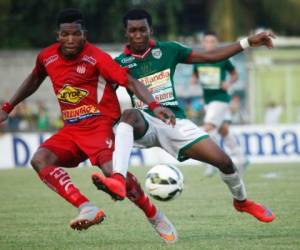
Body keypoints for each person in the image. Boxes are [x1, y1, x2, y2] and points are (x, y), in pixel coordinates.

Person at [92, 9, 276, 239]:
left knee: (225, 162)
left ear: (151, 30)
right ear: (125, 33)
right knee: (128, 114)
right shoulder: (119, 63)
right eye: (132, 30)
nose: (137, 34)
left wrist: (248, 42)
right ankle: (118, 179)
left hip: (174, 121)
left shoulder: (169, 50)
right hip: (144, 123)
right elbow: (101, 96)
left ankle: (242, 202)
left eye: (142, 29)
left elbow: (211, 57)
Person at [0, 9, 177, 239]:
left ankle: (155, 215)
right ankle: (86, 207)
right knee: (40, 160)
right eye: (65, 34)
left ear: (85, 34)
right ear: (58, 35)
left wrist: (154, 105)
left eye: (76, 34)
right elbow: (34, 78)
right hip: (72, 130)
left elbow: (131, 83)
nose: (71, 39)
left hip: (99, 126)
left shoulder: (97, 57)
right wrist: (7, 107)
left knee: (114, 175)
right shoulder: (47, 57)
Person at [192, 31, 249, 177]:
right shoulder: (199, 60)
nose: (210, 44)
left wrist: (228, 83)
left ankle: (213, 163)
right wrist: (194, 80)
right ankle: (242, 159)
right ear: (203, 43)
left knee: (208, 129)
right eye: (207, 41)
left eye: (212, 41)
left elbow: (235, 75)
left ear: (216, 43)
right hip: (208, 100)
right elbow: (194, 77)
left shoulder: (223, 58)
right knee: (224, 131)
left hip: (221, 99)